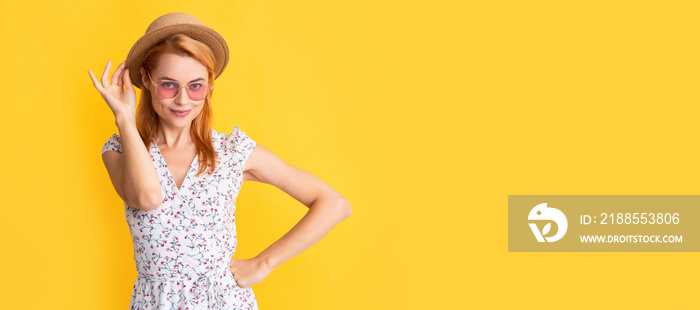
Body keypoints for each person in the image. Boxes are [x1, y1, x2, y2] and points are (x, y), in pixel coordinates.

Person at [88, 12, 352, 309]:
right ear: (147, 80)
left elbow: (335, 204)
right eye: (168, 85)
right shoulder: (120, 150)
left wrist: (264, 263)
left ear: (210, 86)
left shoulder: (231, 152)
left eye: (196, 86)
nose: (183, 100)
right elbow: (148, 197)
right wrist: (123, 116)